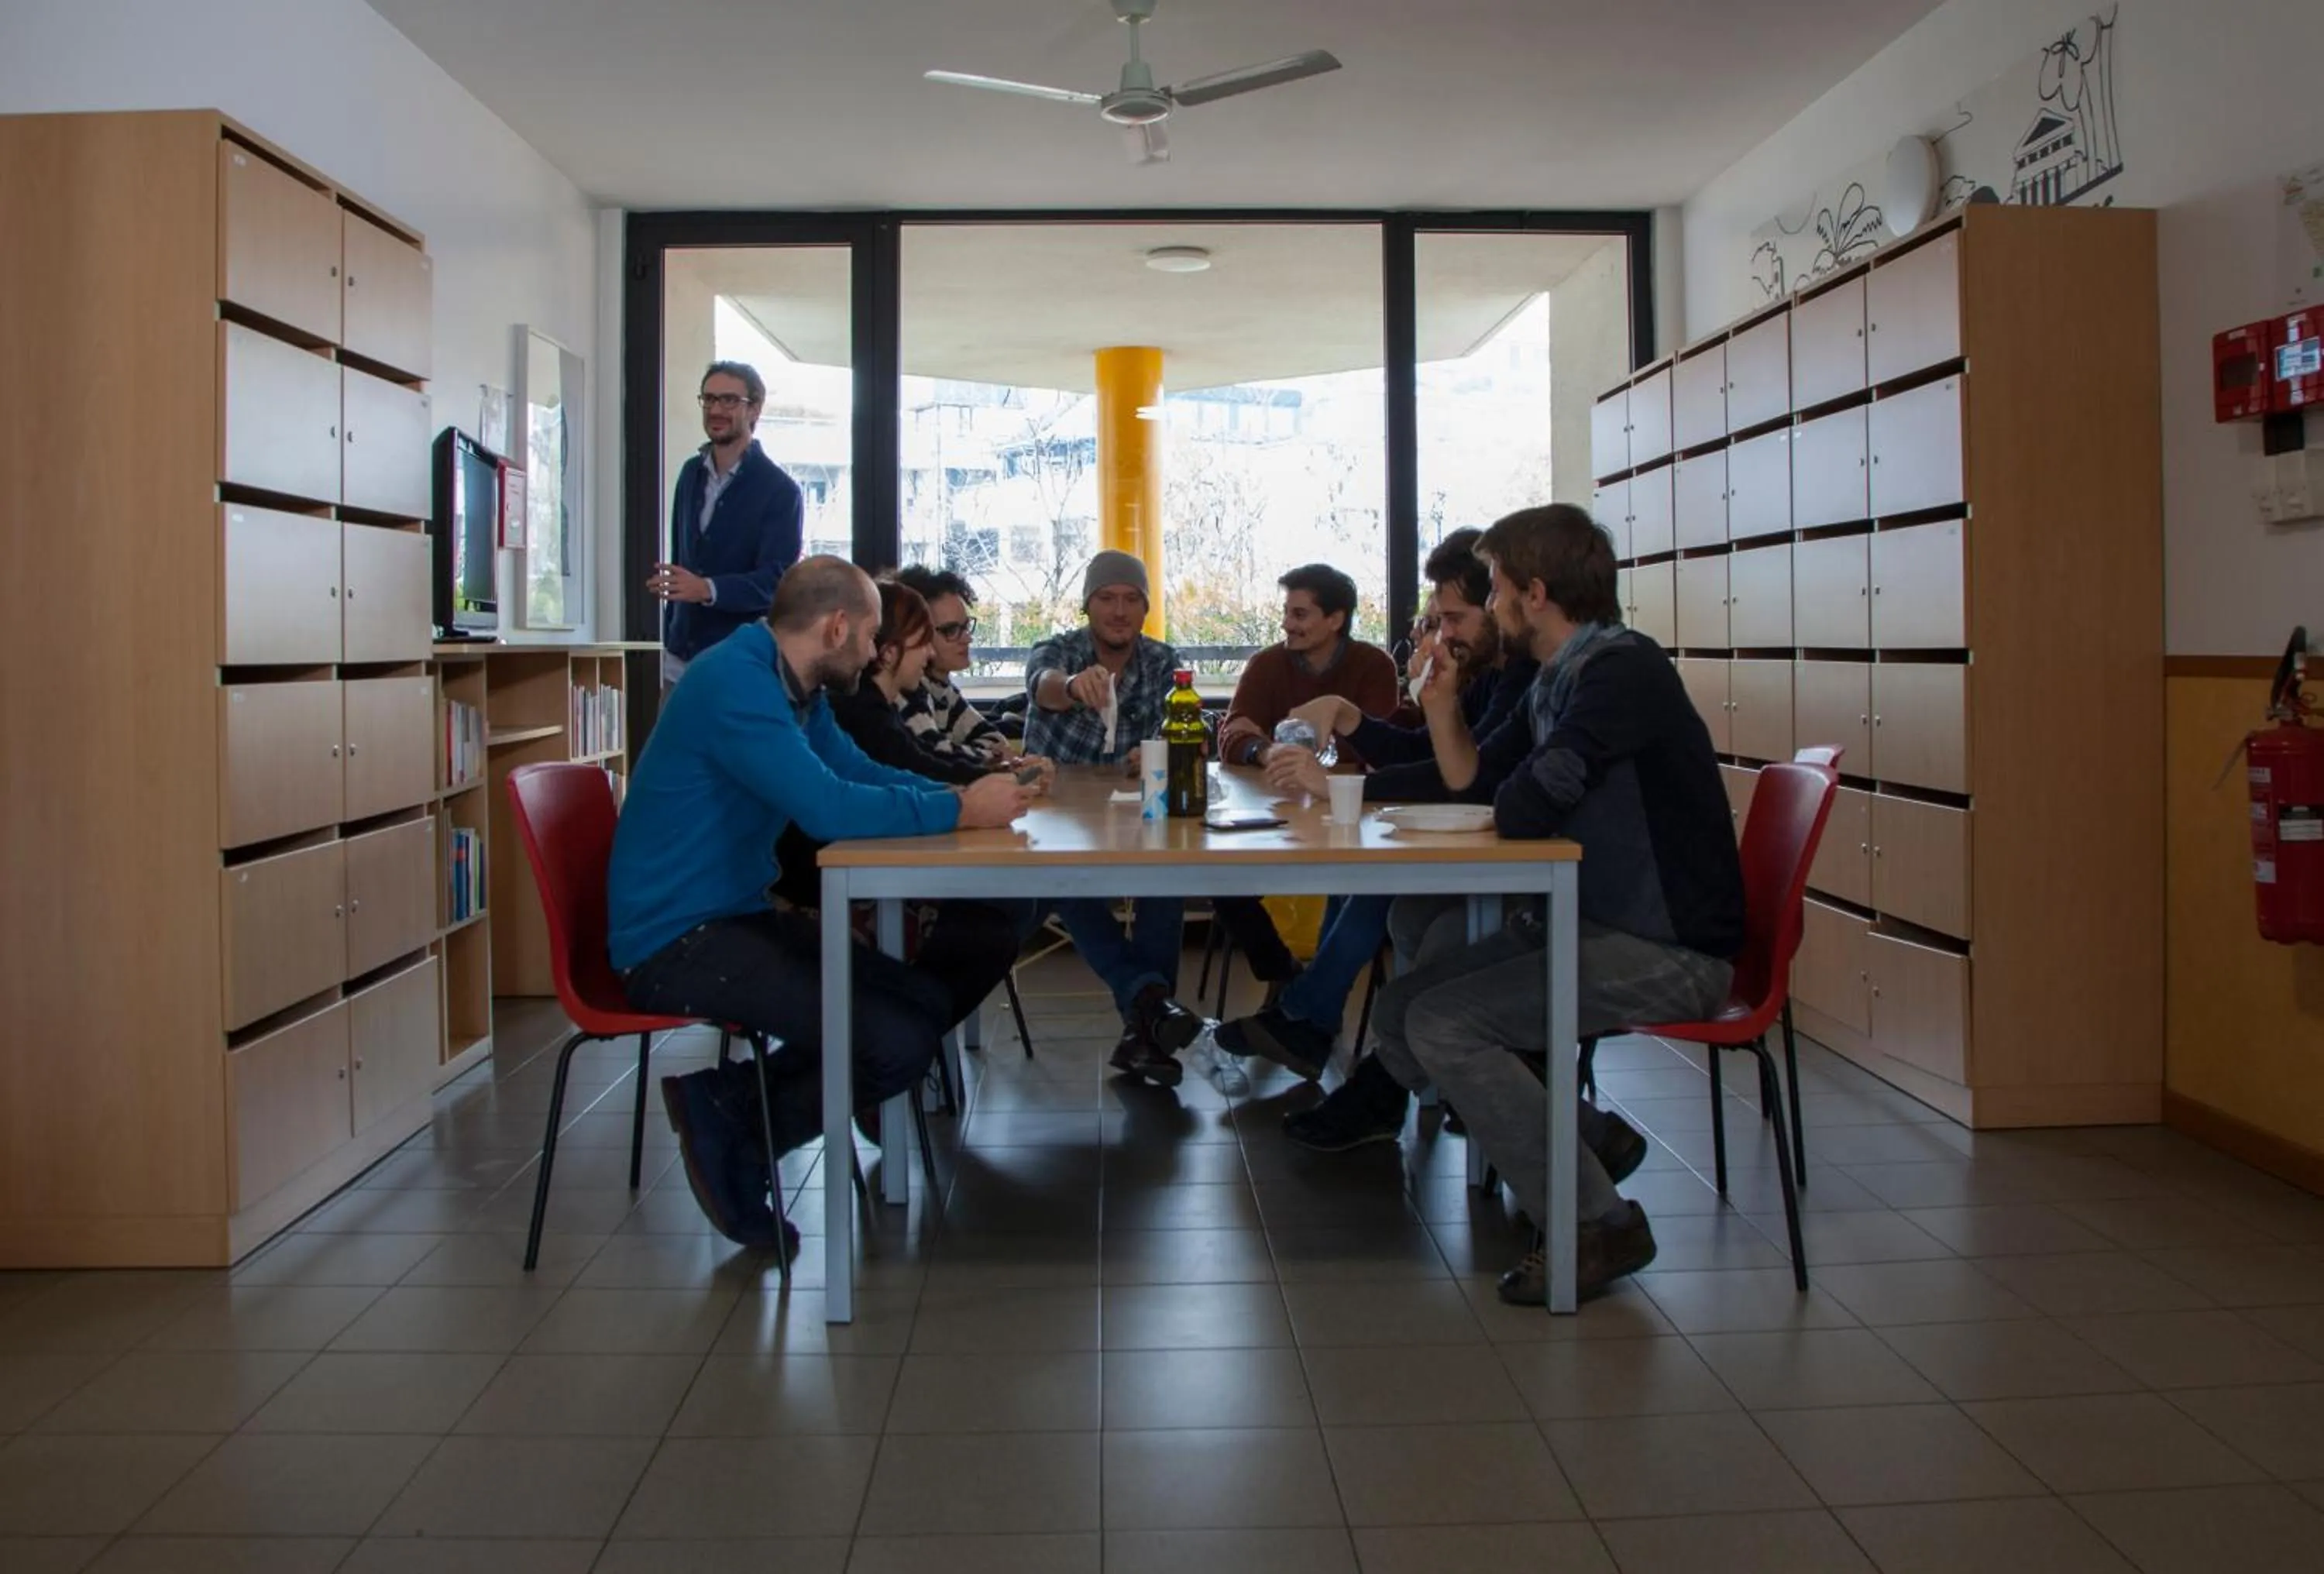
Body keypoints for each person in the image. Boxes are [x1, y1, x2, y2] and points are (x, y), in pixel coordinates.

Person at [1274, 504, 1745, 1304]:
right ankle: (1587, 1138)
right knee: (1401, 1010)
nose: (1488, 611)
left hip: (1671, 950)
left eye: (1492, 593)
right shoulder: (1564, 677)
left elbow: (1520, 805)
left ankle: (1601, 1222)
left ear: (1534, 592)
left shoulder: (1621, 673)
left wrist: (1505, 779)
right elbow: (1474, 779)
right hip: (1594, 923)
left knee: (1443, 1022)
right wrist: (1444, 704)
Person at [609, 557, 1033, 1252]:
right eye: (869, 637)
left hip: (733, 915)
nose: (875, 655)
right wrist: (959, 808)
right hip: (675, 941)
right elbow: (825, 805)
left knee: (922, 1006)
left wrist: (957, 799)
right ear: (837, 627)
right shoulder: (736, 684)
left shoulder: (792, 685)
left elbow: (856, 770)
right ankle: (737, 1129)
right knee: (894, 1040)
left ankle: (732, 1108)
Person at [1215, 529, 1542, 1077]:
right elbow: (1425, 753)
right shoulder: (1494, 677)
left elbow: (1464, 777)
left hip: (1513, 865)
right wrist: (1347, 715)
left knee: (1374, 879)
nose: (1441, 635)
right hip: (1485, 846)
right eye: (1437, 621)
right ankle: (1310, 1021)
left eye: (1453, 618)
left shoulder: (1517, 678)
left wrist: (1344, 782)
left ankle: (1309, 1019)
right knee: (1361, 877)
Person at [1023, 550, 1202, 1087]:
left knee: (1168, 875)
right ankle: (1150, 1001)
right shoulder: (1059, 650)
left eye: (1131, 600)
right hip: (1056, 816)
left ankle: (1145, 1026)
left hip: (1132, 813)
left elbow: (1184, 730)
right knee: (1065, 879)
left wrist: (1157, 749)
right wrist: (1075, 686)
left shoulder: (1161, 660)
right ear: (1087, 605)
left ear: (1145, 608)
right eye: (1107, 598)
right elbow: (1042, 683)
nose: (1119, 611)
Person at [1208, 565, 1403, 991]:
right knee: (1218, 879)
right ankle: (1286, 979)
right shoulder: (1266, 664)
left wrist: (1314, 763)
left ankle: (1305, 1001)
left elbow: (1379, 743)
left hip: (1350, 816)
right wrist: (1267, 751)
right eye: (1286, 613)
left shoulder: (1373, 665)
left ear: (1335, 620)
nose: (1286, 625)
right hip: (1273, 812)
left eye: (1300, 615)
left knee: (1354, 888)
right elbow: (1233, 731)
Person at [648, 361, 804, 690]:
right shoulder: (691, 474)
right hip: (678, 660)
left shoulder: (779, 490)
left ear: (755, 409)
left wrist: (707, 589)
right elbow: (682, 560)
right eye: (709, 399)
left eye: (730, 401)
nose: (716, 409)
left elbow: (776, 581)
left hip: (738, 662)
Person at [892, 564, 1014, 767]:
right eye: (950, 630)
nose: (967, 639)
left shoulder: (942, 689)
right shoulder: (907, 691)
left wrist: (986, 755)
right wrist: (993, 757)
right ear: (915, 634)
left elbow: (995, 739)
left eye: (966, 626)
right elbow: (934, 753)